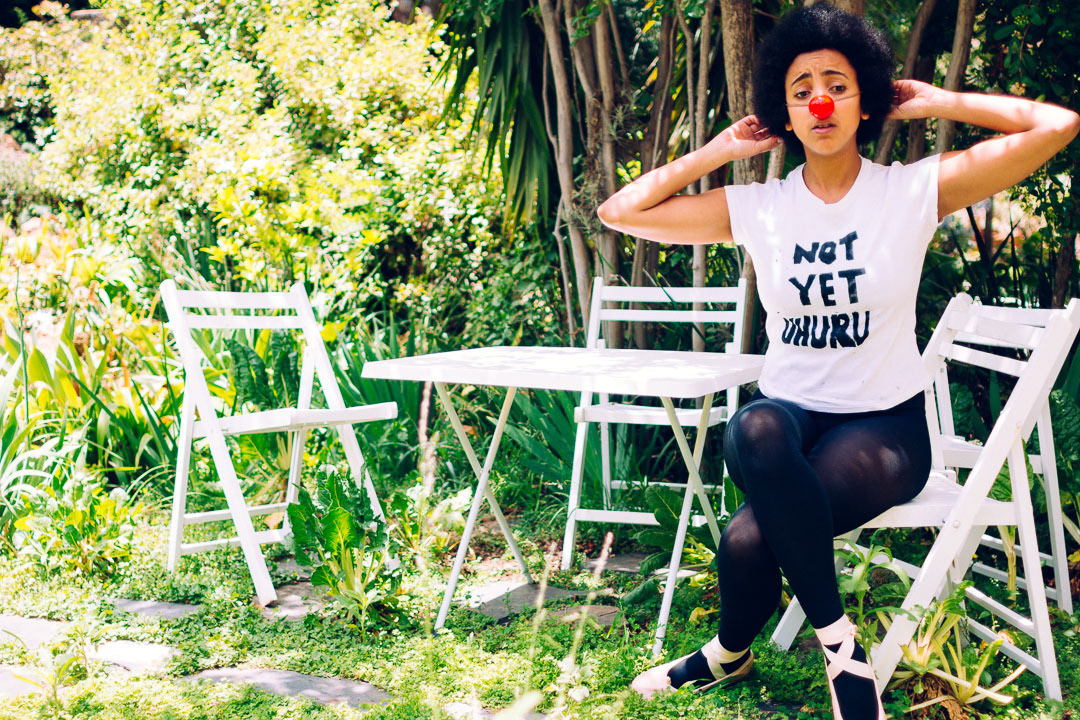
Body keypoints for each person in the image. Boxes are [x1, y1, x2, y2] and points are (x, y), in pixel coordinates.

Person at [595, 3, 1079, 719]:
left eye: (838, 85)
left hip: (883, 429)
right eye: (802, 90)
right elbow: (619, 211)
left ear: (865, 102)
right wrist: (722, 148)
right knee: (753, 427)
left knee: (748, 537)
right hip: (788, 422)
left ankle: (733, 653)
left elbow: (1059, 126)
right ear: (785, 115)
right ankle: (838, 646)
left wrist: (940, 101)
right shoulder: (759, 207)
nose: (820, 101)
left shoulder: (911, 191)